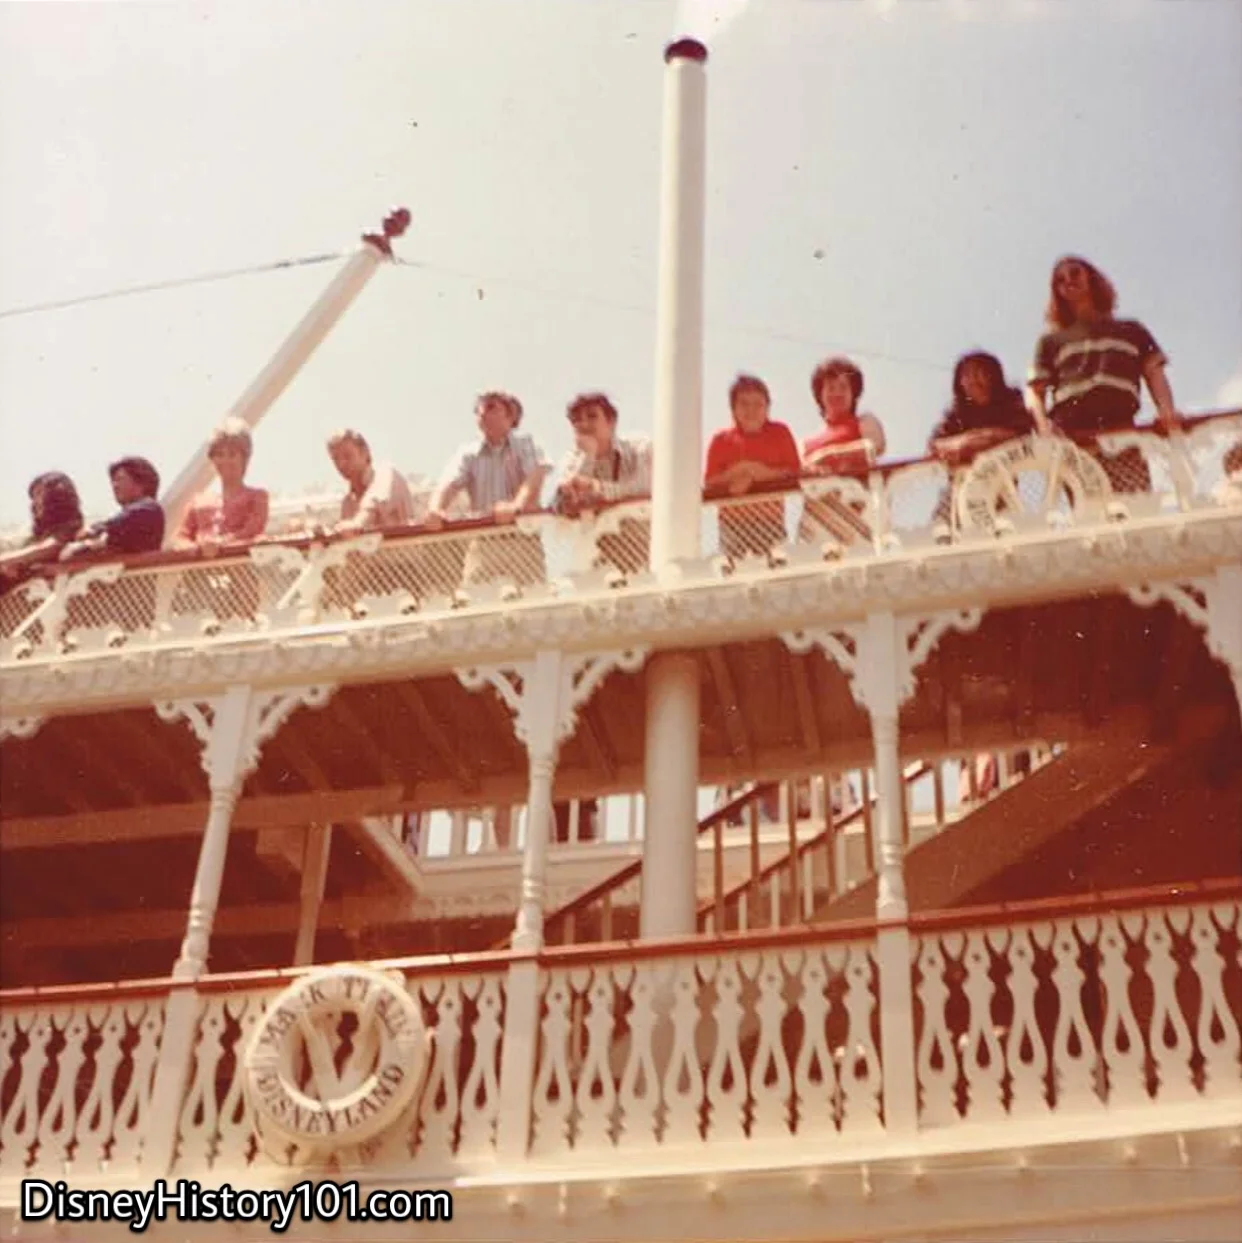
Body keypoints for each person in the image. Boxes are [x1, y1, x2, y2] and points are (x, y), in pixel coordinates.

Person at [1026, 255, 1181, 492]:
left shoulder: (1131, 330)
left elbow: (1154, 373)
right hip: (1073, 433)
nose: (1069, 281)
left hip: (1121, 426)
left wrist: (1166, 410)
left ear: (1091, 277)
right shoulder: (1051, 341)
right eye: (1060, 280)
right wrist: (1043, 426)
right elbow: (1034, 391)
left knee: (1135, 502)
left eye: (1075, 273)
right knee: (1089, 511)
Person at [426, 390, 550, 590]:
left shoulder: (527, 443)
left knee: (531, 606)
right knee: (477, 606)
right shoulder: (468, 453)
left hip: (523, 542)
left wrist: (516, 506)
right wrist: (436, 509)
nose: (482, 412)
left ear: (511, 417)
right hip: (484, 543)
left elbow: (535, 477)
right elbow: (448, 483)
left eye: (491, 406)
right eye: (478, 409)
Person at [928, 351, 1036, 526]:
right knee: (940, 529)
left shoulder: (1010, 403)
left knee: (1002, 532)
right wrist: (965, 442)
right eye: (966, 375)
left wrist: (975, 440)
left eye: (980, 372)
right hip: (959, 487)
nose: (973, 380)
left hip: (1001, 486)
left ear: (994, 376)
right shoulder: (956, 414)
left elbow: (1020, 434)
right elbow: (935, 445)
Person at [552, 392, 652, 576]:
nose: (584, 424)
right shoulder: (570, 460)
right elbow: (569, 501)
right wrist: (588, 456)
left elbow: (645, 487)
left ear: (612, 421)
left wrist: (599, 489)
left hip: (644, 551)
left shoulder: (640, 447)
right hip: (594, 560)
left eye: (591, 416)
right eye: (577, 420)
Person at [704, 374, 801, 562]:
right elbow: (710, 482)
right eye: (744, 404)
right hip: (732, 525)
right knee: (733, 575)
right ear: (733, 409)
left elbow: (794, 473)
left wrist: (758, 474)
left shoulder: (780, 433)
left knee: (775, 572)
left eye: (758, 404)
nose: (751, 410)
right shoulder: (720, 441)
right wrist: (737, 473)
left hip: (770, 522)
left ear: (767, 407)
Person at [799, 357, 885, 547]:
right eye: (830, 387)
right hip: (819, 523)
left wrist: (828, 457)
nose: (837, 393)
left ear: (853, 393)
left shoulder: (864, 421)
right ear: (820, 394)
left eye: (843, 387)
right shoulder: (807, 443)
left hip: (861, 515)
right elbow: (797, 469)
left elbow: (874, 447)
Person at [175, 419, 270, 550]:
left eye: (232, 454)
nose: (225, 460)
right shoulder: (197, 501)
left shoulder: (257, 497)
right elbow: (181, 539)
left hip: (238, 567)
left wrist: (220, 543)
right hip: (201, 569)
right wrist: (197, 548)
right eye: (219, 455)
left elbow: (252, 531)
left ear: (245, 458)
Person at [60, 457, 165, 559]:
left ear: (141, 483)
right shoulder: (127, 525)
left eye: (120, 479)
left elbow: (120, 521)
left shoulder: (149, 508)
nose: (115, 486)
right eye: (113, 481)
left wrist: (94, 530)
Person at [0, 473, 85, 590]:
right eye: (33, 497)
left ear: (57, 496)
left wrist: (7, 560)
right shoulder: (40, 535)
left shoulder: (70, 528)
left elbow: (49, 548)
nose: (34, 503)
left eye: (39, 494)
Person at [326, 429, 415, 533]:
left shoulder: (386, 474)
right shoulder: (348, 503)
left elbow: (374, 503)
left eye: (347, 456)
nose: (341, 464)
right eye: (336, 459)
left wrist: (357, 523)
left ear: (365, 453)